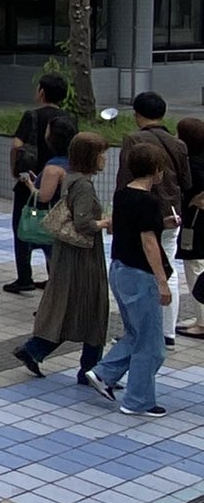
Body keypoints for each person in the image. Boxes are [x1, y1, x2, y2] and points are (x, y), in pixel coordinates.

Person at [15, 131, 110, 384]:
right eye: (102, 154)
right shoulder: (84, 186)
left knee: (69, 305)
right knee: (93, 308)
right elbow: (84, 223)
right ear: (92, 157)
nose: (105, 159)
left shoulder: (72, 178)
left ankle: (36, 349)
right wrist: (107, 221)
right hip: (84, 256)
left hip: (68, 252)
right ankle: (91, 369)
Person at [92, 141, 172, 416]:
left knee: (136, 333)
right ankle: (138, 401)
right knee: (152, 345)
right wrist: (162, 281)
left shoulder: (123, 194)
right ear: (157, 170)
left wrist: (163, 223)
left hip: (119, 269)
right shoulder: (149, 201)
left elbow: (123, 226)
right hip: (140, 275)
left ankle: (104, 373)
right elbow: (149, 242)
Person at [116, 93, 189, 348]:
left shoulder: (134, 140)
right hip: (172, 212)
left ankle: (139, 331)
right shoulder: (177, 144)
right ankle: (167, 332)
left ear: (137, 114)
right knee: (168, 268)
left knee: (141, 269)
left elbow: (124, 179)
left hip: (141, 213)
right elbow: (186, 182)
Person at [5, 73, 69, 296]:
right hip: (60, 181)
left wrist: (16, 172)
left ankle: (24, 277)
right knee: (54, 228)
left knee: (23, 226)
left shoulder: (31, 115)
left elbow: (16, 145)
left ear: (42, 92)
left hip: (30, 181)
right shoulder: (68, 118)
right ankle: (54, 277)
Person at [173, 117, 204, 338]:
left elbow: (188, 196)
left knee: (195, 268)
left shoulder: (191, 165)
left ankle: (202, 321)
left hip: (195, 223)